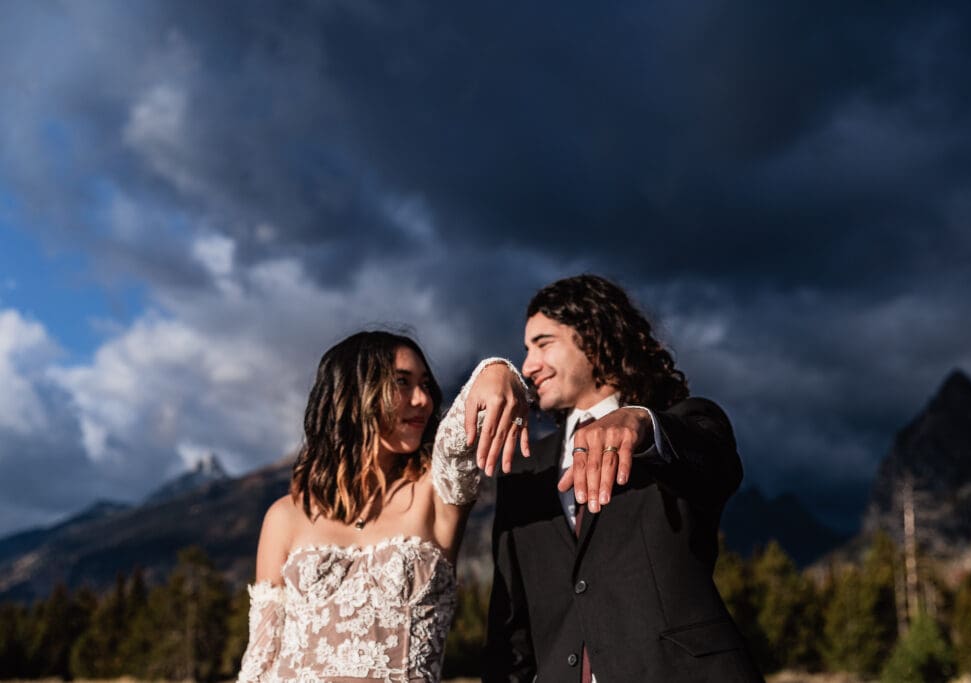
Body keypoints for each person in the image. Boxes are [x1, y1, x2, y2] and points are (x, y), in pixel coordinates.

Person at [484, 275, 763, 682]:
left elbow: (719, 469)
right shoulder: (524, 471)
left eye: (543, 344)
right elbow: (510, 630)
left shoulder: (675, 428)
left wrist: (642, 423)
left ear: (596, 338)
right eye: (526, 350)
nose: (528, 365)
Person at [237, 330, 528, 682]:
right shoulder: (286, 516)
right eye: (402, 383)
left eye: (425, 385)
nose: (422, 399)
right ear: (354, 393)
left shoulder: (437, 492)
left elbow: (467, 426)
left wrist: (497, 369)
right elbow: (261, 660)